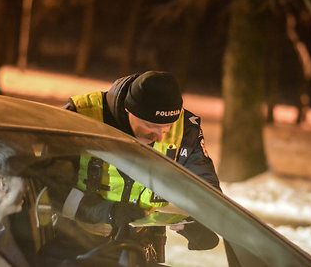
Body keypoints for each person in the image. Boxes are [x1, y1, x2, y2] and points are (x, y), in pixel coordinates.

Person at [63, 71, 220, 262]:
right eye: (150, 126)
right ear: (129, 110)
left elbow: (205, 188)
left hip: (139, 249)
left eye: (167, 126)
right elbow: (45, 181)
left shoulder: (186, 129)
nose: (161, 136)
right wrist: (106, 212)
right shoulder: (82, 115)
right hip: (72, 243)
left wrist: (203, 221)